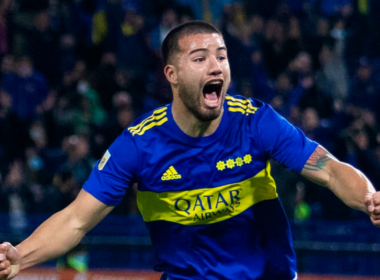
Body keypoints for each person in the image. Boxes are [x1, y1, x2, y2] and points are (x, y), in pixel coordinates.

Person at [0, 20, 380, 280]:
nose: (216, 66)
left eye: (222, 56)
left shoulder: (256, 121)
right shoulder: (138, 145)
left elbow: (329, 168)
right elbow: (76, 220)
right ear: (172, 74)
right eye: (200, 59)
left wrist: (369, 198)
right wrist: (20, 259)